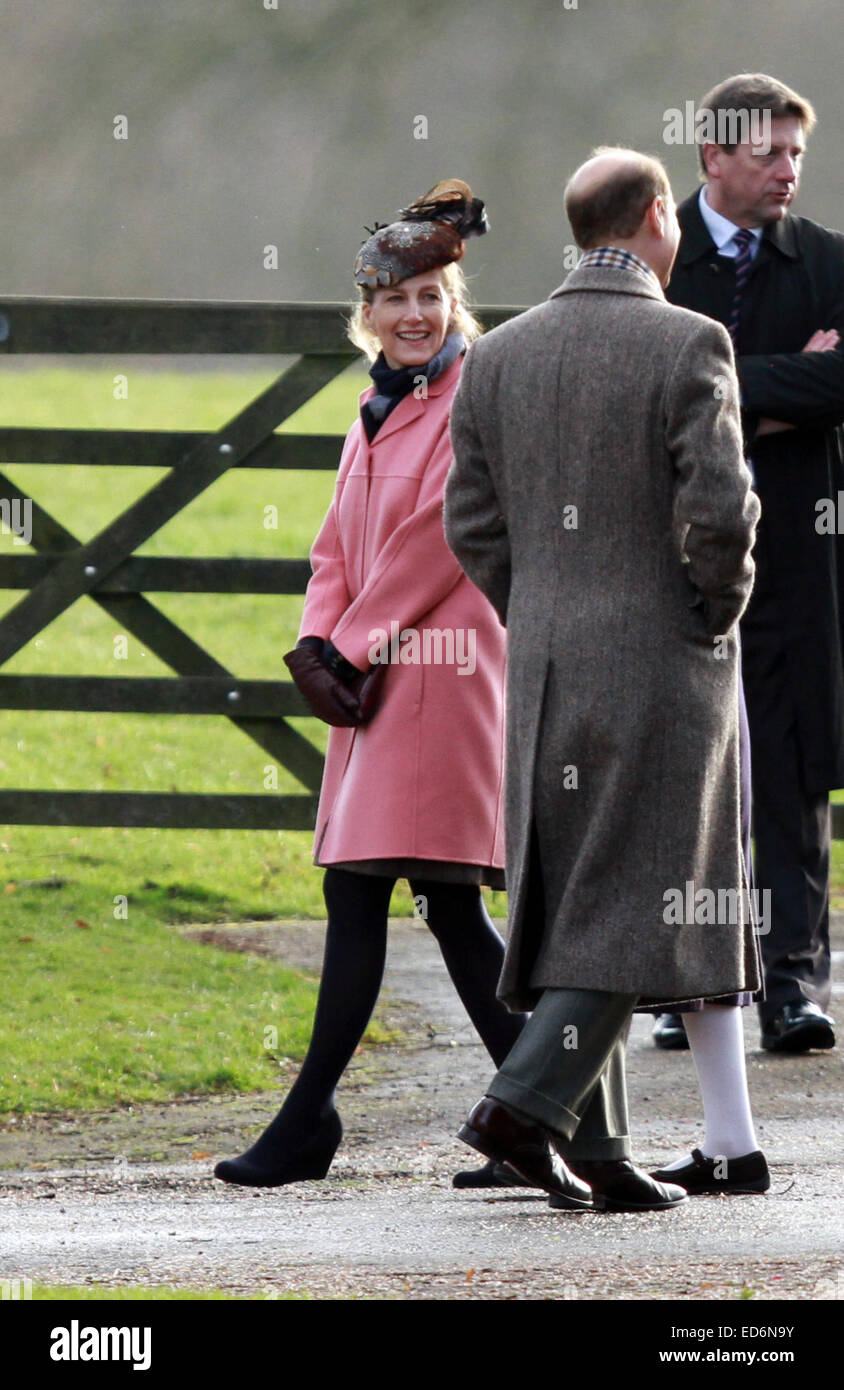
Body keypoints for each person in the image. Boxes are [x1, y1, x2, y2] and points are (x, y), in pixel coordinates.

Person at [444, 148, 762, 1212]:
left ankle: (604, 1148)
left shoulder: (496, 355)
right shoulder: (689, 340)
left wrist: (536, 613)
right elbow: (717, 516)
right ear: (653, 220)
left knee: (578, 891)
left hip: (539, 662)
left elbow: (471, 526)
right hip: (660, 662)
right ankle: (521, 1106)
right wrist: (706, 619)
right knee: (636, 900)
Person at [214, 180, 524, 1189]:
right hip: (370, 676)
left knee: (377, 891)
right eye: (397, 299)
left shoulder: (470, 395)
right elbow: (337, 546)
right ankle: (548, 1118)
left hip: (436, 674)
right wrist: (314, 639)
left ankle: (310, 1123)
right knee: (440, 905)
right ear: (367, 312)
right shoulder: (373, 407)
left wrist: (349, 647)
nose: (416, 314)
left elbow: (443, 539)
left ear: (453, 304)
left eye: (432, 295)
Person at [657, 72, 842, 1056]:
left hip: (797, 554)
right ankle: (687, 984)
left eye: (797, 153)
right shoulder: (657, 258)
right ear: (711, 155)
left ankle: (791, 982)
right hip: (674, 553)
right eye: (767, 152)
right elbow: (639, 386)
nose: (787, 171)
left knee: (791, 765)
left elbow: (841, 379)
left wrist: (712, 387)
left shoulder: (826, 262)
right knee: (680, 767)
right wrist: (775, 389)